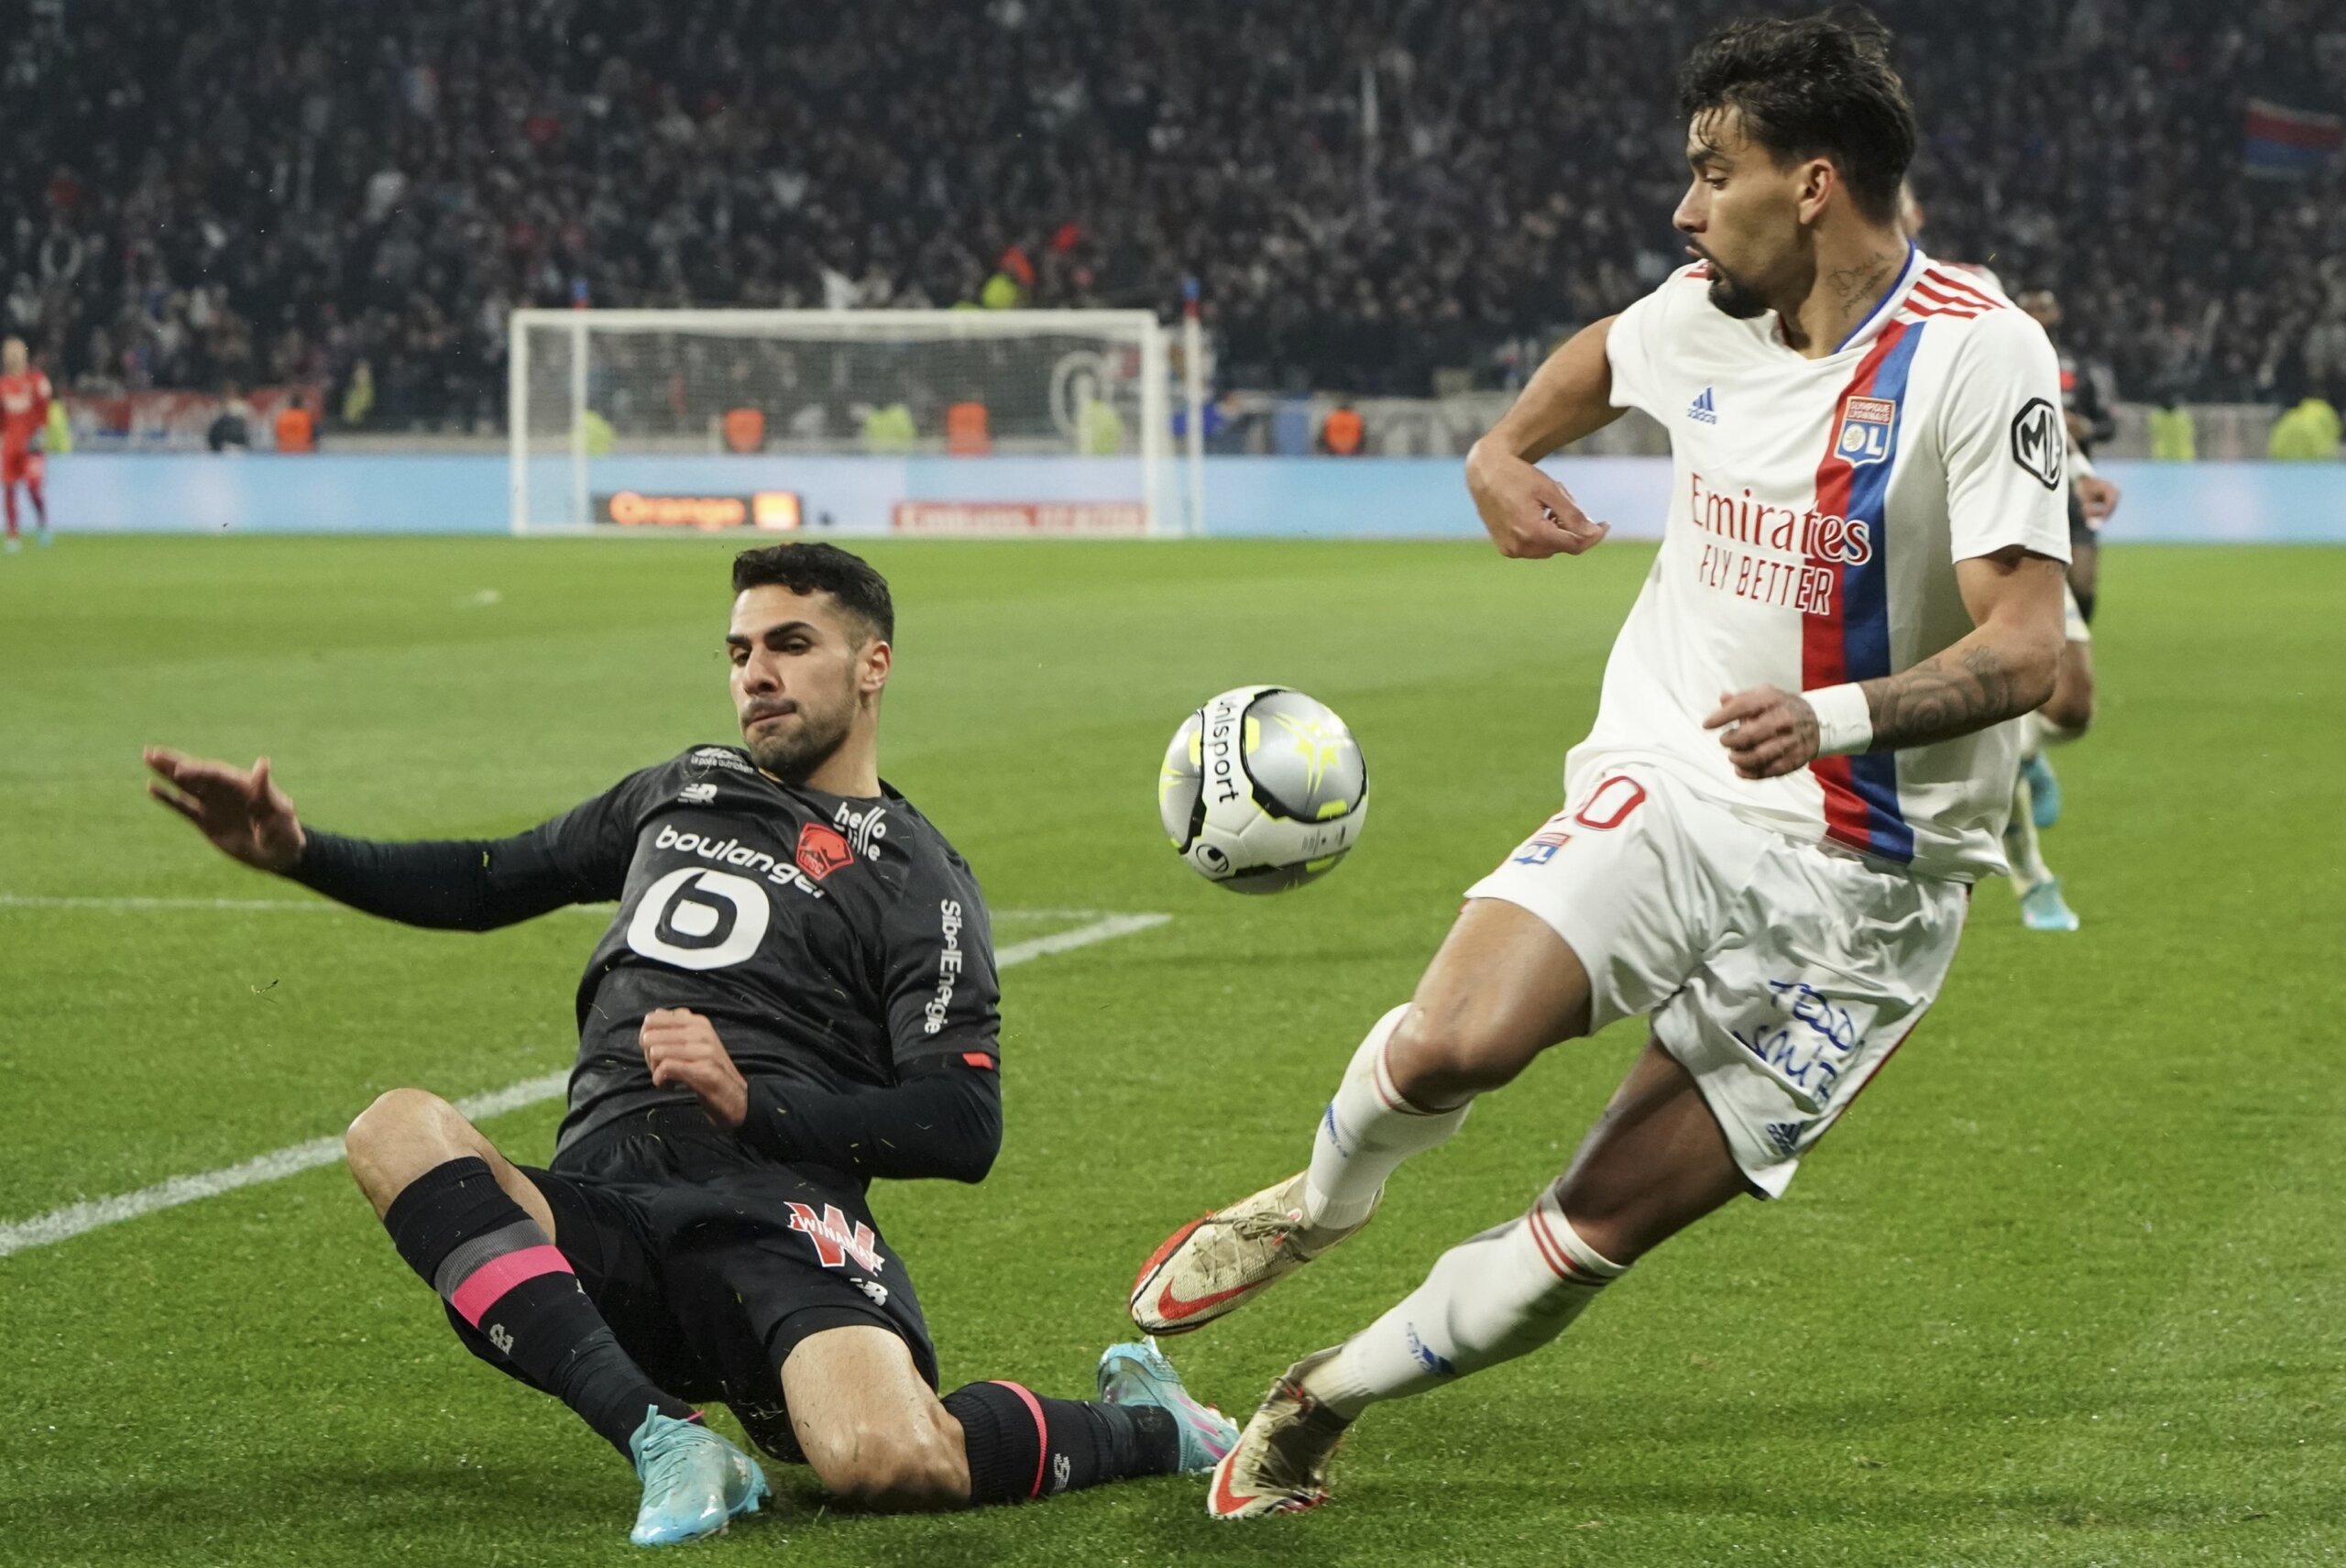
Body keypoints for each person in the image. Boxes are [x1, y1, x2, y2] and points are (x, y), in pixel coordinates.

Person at [1128, 10, 2069, 1519]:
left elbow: (2029, 647)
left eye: (1713, 172)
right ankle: (1319, 1200)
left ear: (1812, 184)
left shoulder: (1979, 350)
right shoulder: (1707, 309)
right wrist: (1499, 453)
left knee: (1589, 1228)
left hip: (1876, 890)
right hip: (1685, 781)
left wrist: (1832, 717)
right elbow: (1605, 357)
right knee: (1453, 1045)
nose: (1686, 210)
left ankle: (1322, 1397)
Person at [144, 543, 1234, 1547]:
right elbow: (490, 878)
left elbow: (961, 1122)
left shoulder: (919, 880)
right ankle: (664, 1437)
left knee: (892, 1460)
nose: (756, 673)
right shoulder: (683, 787)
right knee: (395, 1129)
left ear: (872, 665)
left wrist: (753, 1102)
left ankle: (1150, 1422)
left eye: (790, 644)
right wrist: (300, 851)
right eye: (740, 651)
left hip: (778, 1222)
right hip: (605, 1211)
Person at [1899, 200, 2097, 930]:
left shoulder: (1971, 288)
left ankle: (2033, 756)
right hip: (1939, 535)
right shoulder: (1837, 306)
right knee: (1999, 708)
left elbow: (2023, 396)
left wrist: (2079, 471)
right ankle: (2033, 878)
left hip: (2007, 515)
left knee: (2071, 704)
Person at [0, 336, 53, 551]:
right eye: (9, 353)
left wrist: (41, 434)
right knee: (10, 488)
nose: (13, 356)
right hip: (9, 444)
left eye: (17, 352)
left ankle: (42, 525)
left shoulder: (36, 380)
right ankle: (13, 535)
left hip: (32, 445)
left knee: (33, 488)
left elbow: (44, 410)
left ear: (24, 355)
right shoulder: (2, 385)